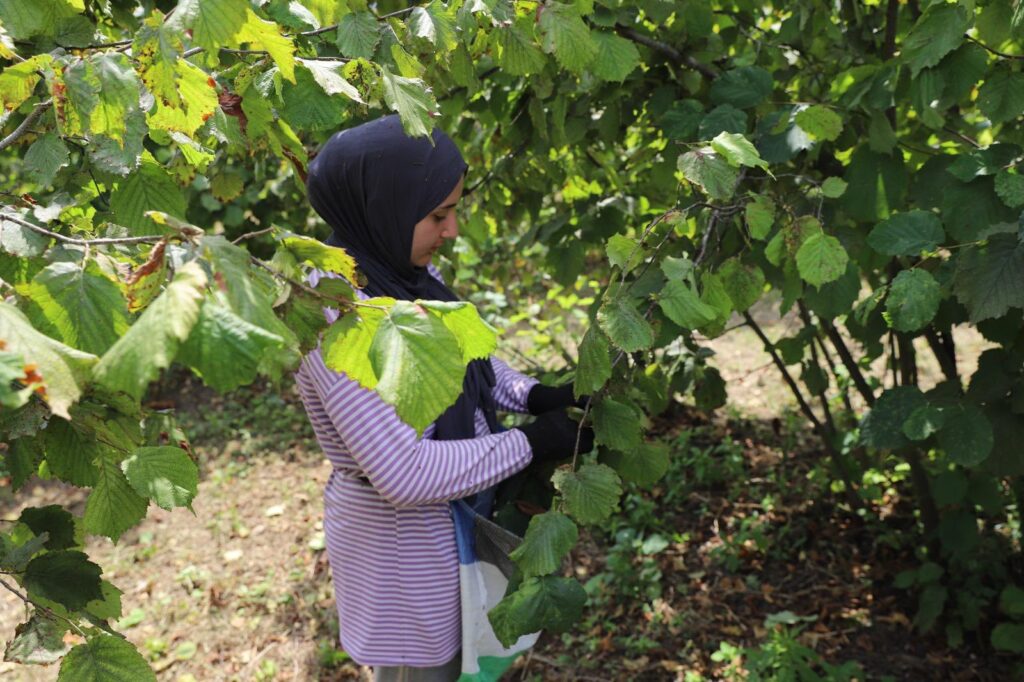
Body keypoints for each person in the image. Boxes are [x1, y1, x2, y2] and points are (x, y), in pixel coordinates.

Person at [295, 114, 594, 681]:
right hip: (405, 555)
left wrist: (535, 396)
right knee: (423, 669)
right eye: (437, 215)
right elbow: (403, 473)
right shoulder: (337, 313)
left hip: (451, 529)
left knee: (466, 661)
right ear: (383, 206)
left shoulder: (402, 282)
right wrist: (529, 443)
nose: (451, 230)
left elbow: (463, 363)